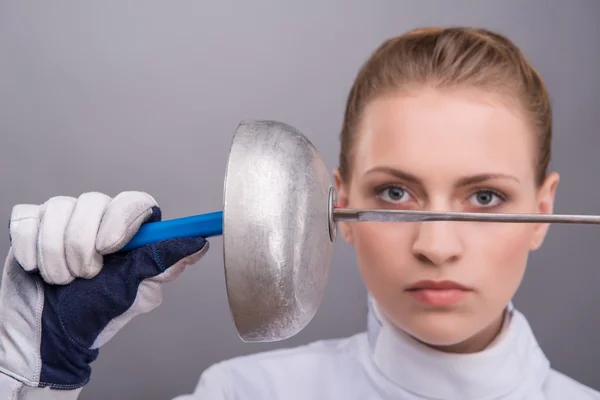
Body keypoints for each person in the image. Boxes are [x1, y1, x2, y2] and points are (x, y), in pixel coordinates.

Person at [0, 26, 599, 400]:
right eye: (394, 193)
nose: (438, 246)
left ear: (542, 212)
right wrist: (34, 377)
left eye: (485, 197)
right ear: (336, 203)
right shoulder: (246, 394)